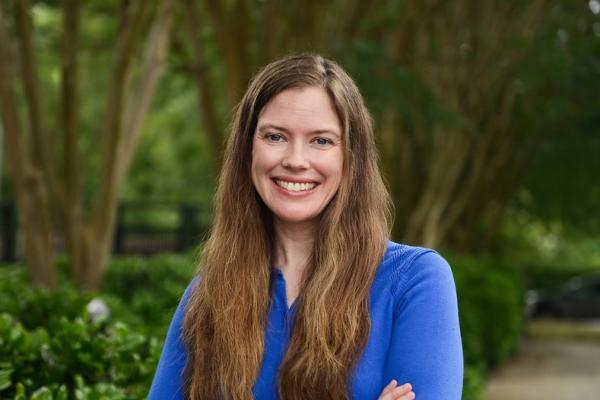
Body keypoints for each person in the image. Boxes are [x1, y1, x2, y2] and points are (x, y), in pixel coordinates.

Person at [148, 54, 463, 400]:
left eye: (322, 141)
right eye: (275, 137)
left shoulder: (415, 281)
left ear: (351, 157)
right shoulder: (210, 293)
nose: (296, 160)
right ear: (247, 149)